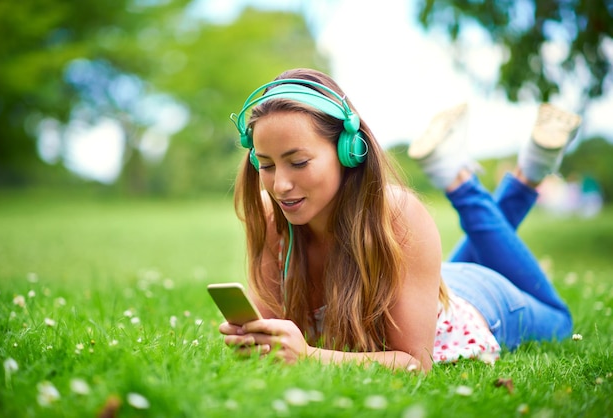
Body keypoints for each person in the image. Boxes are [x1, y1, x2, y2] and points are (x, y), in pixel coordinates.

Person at [220, 68, 579, 372]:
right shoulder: (273, 222)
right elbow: (273, 332)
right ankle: (525, 169)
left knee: (560, 321)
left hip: (482, 301)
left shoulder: (398, 215)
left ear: (349, 151)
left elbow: (415, 363)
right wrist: (259, 341)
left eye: (298, 162)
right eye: (265, 165)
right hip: (423, 287)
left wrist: (309, 356)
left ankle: (463, 179)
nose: (280, 185)